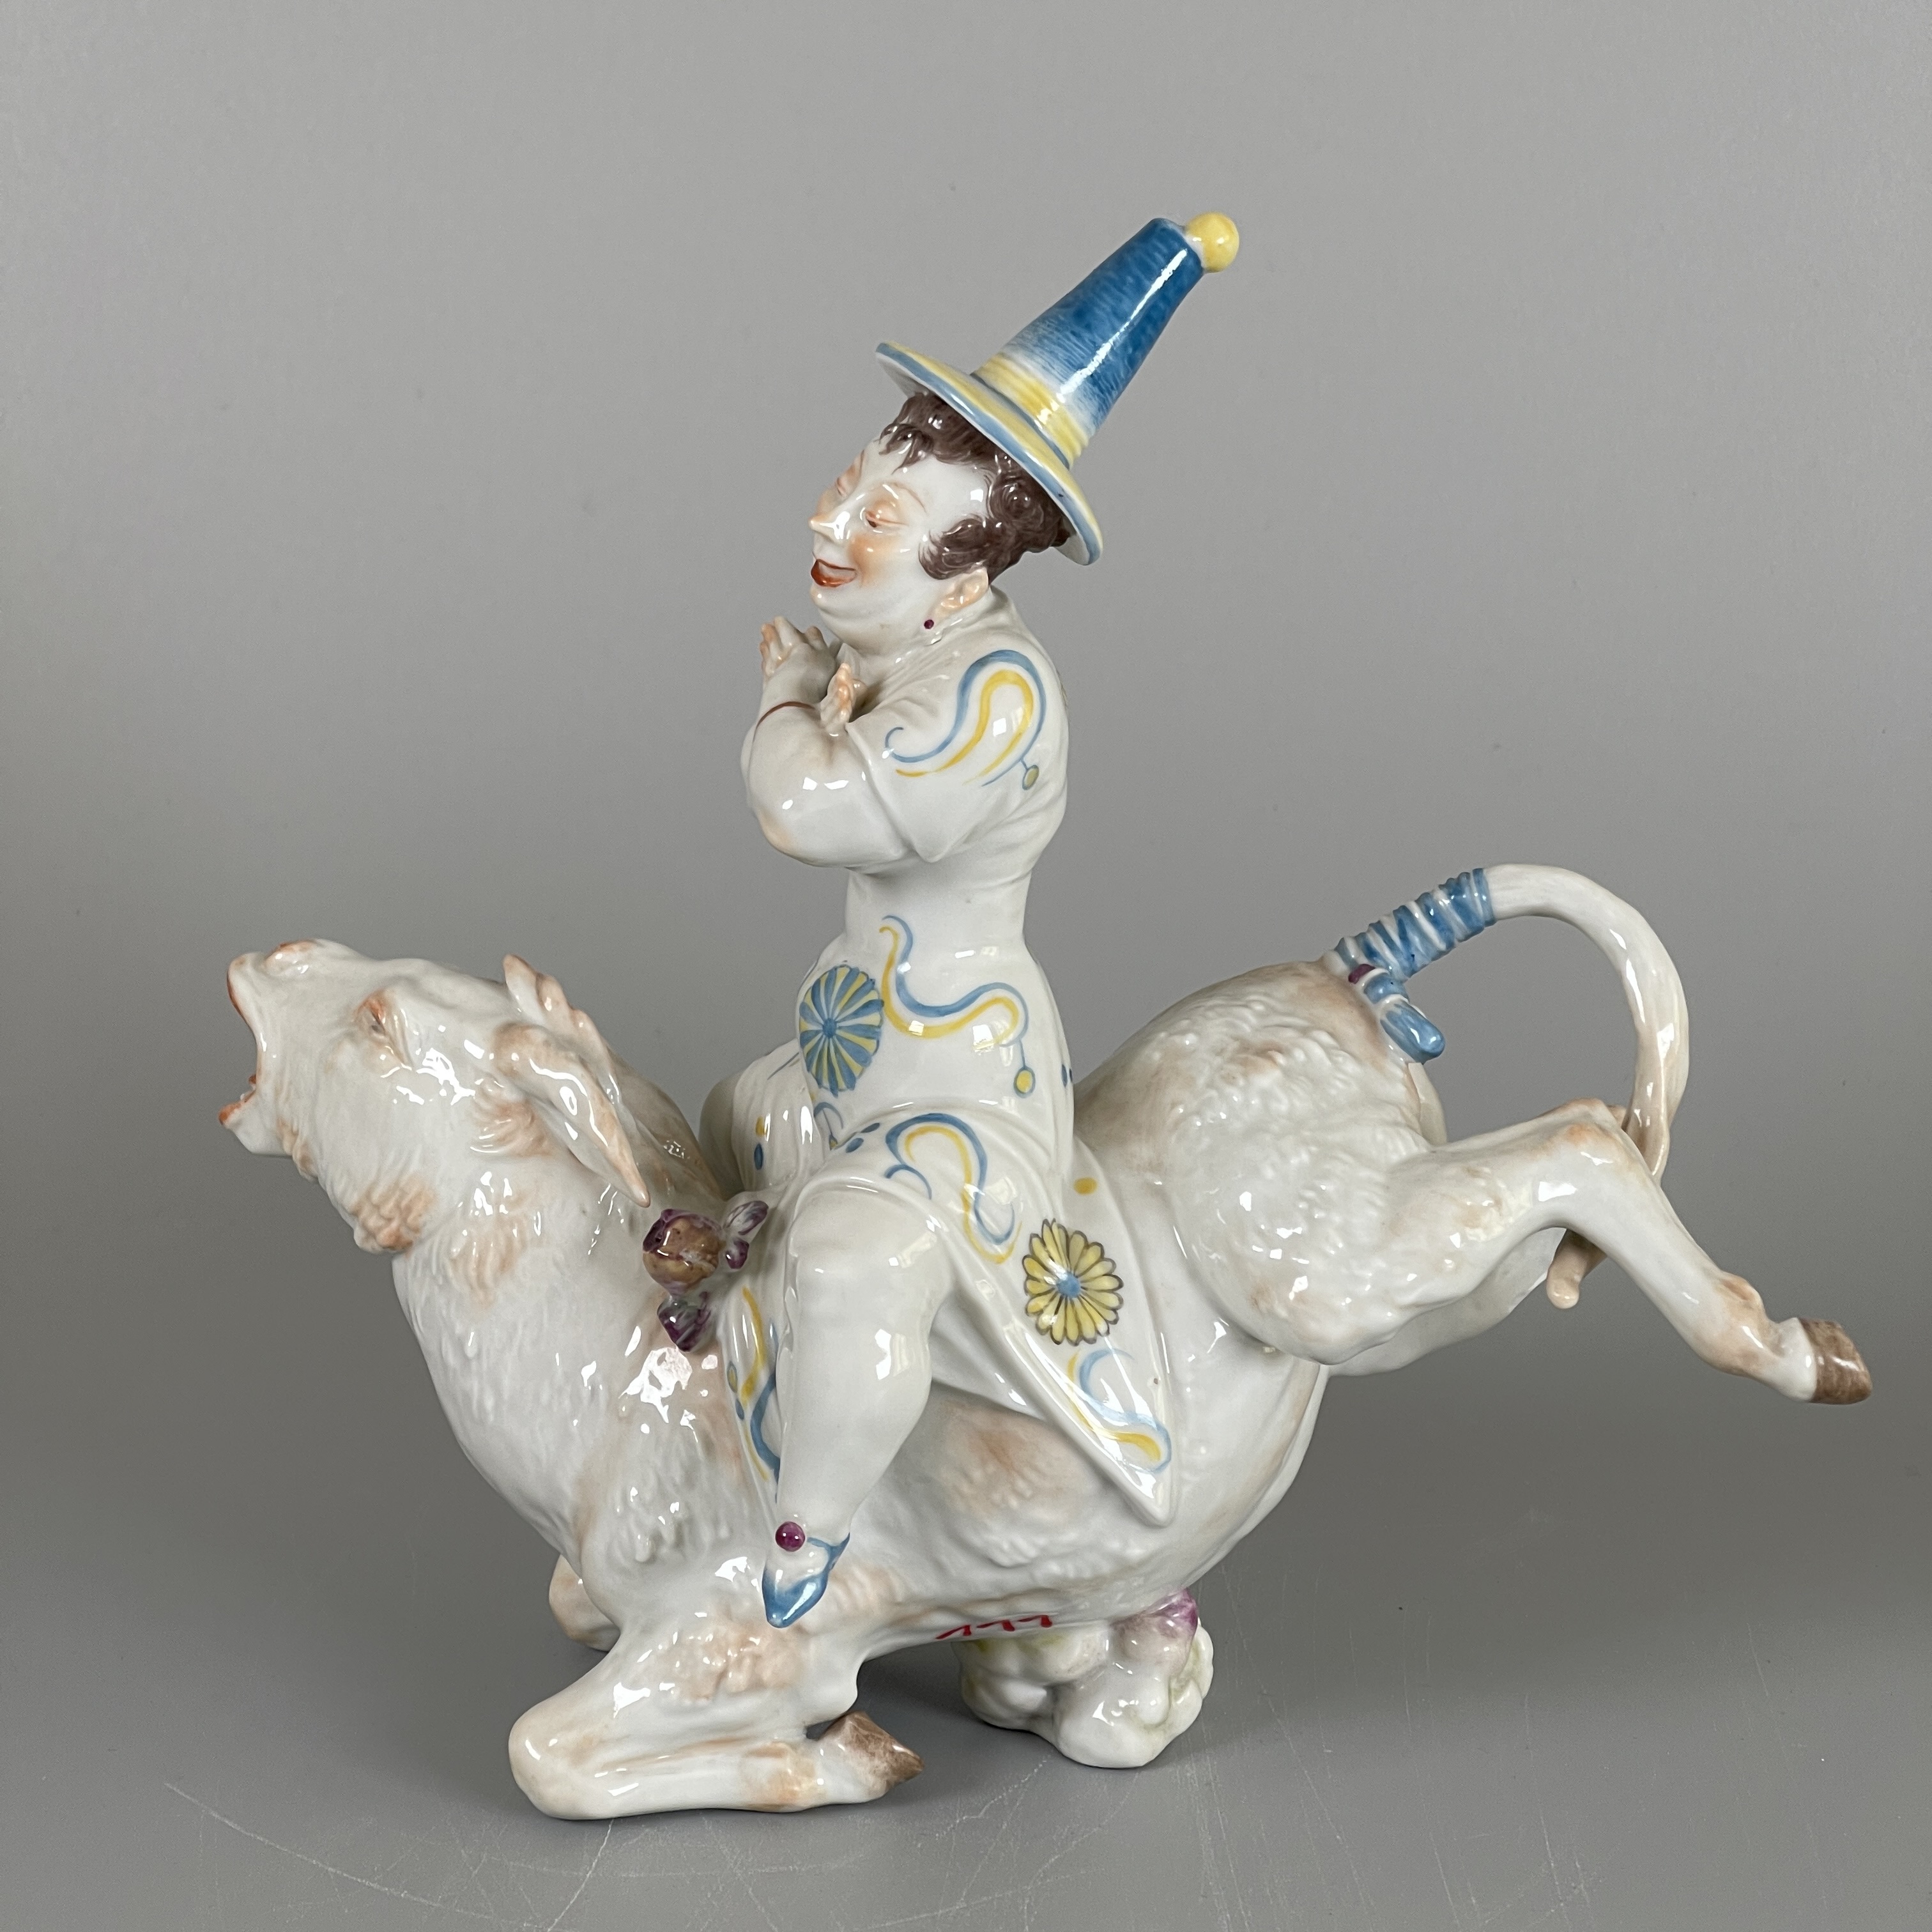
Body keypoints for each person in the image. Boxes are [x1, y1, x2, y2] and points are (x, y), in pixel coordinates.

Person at [737, 214, 1239, 1625]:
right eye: (846, 486)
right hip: (852, 1050)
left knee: (849, 1261)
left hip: (954, 1085)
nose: (831, 524)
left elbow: (810, 810)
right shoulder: (903, 646)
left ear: (965, 574)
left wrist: (783, 700)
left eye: (878, 519)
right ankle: (736, 1432)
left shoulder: (991, 692)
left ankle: (806, 1549)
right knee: (725, 1138)